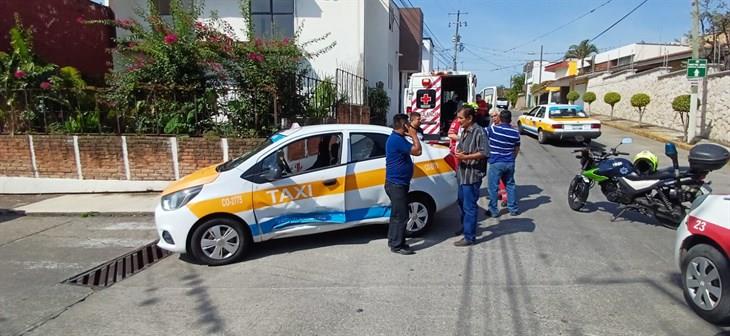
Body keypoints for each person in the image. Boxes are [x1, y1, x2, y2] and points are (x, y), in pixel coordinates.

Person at [385, 114, 422, 255]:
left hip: (397, 184)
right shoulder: (396, 140)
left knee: (396, 215)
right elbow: (418, 151)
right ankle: (397, 245)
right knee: (402, 216)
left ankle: (394, 240)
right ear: (403, 125)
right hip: (396, 185)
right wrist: (414, 135)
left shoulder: (398, 138)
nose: (409, 125)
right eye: (407, 123)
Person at [453, 106, 489, 246]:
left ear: (469, 118)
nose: (458, 120)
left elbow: (485, 152)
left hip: (472, 175)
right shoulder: (465, 131)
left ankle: (469, 236)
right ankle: (465, 227)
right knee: (461, 203)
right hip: (462, 174)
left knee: (470, 206)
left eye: (461, 118)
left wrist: (466, 157)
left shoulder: (479, 132)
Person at [486, 110, 521, 217]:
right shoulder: (515, 133)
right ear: (510, 119)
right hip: (509, 162)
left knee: (493, 187)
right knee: (510, 185)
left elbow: (481, 133)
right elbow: (517, 148)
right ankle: (513, 209)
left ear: (500, 118)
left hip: (496, 162)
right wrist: (512, 159)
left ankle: (493, 210)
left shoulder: (493, 129)